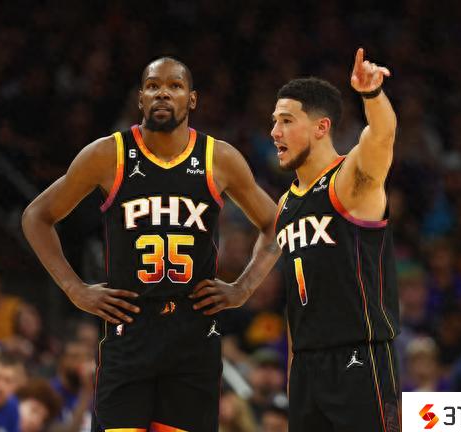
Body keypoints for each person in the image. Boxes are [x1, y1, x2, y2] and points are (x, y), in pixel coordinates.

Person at [22, 56, 280, 431]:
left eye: (175, 86)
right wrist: (74, 289)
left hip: (193, 336)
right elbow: (36, 216)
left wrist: (244, 287)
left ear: (192, 99)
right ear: (140, 98)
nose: (163, 93)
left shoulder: (219, 158)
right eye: (153, 86)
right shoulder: (108, 154)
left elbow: (275, 223)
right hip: (129, 330)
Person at [272, 48, 400, 431]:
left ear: (321, 127)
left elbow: (382, 136)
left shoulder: (349, 180)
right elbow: (296, 303)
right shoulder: (284, 205)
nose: (275, 132)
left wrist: (372, 95)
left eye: (286, 121)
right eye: (274, 122)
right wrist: (294, 372)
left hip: (359, 358)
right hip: (305, 368)